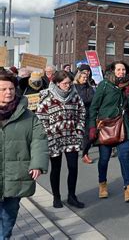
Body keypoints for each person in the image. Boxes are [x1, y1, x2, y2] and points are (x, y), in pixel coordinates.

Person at [0, 71, 49, 239]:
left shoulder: (28, 116)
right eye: (3, 89)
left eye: (11, 88)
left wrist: (37, 163)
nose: (8, 92)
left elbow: (39, 140)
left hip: (16, 175)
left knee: (9, 215)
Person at [88, 61, 129, 202]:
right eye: (118, 69)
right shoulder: (104, 85)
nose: (121, 72)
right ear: (112, 70)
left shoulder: (127, 86)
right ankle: (102, 185)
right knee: (104, 159)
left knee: (124, 157)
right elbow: (93, 107)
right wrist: (92, 127)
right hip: (106, 127)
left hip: (123, 126)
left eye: (123, 69)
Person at [36, 71, 86, 209]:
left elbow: (82, 113)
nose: (68, 86)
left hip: (72, 138)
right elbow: (40, 117)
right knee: (56, 168)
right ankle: (56, 197)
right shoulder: (47, 97)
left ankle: (72, 196)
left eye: (70, 83)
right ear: (57, 83)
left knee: (73, 167)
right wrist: (48, 134)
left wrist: (79, 130)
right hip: (55, 138)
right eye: (65, 83)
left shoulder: (75, 96)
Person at [74, 70, 96, 164]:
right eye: (83, 77)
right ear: (78, 78)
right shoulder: (74, 87)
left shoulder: (89, 88)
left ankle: (85, 154)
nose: (85, 79)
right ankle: (75, 151)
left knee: (89, 135)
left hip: (88, 114)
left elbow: (92, 99)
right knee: (76, 135)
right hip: (76, 114)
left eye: (86, 78)